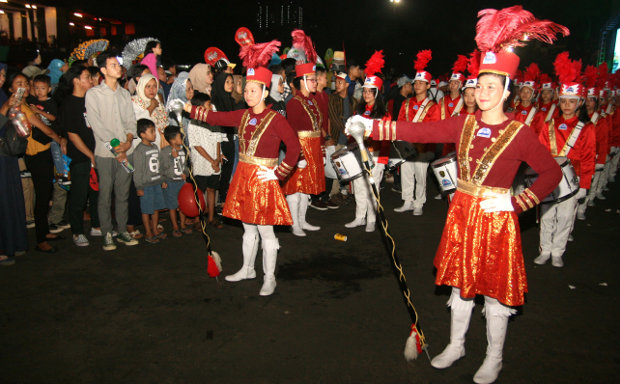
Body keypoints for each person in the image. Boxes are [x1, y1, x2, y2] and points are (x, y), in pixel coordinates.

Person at [347, 7, 566, 383]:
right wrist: (370, 124)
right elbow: (417, 132)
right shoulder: (464, 123)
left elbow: (552, 173)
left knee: (495, 296)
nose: (482, 93)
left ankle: (494, 356)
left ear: (506, 90)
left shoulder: (521, 133)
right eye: (479, 86)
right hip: (463, 213)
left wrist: (516, 203)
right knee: (461, 287)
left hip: (496, 219)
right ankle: (456, 344)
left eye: (491, 87)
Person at [183, 41, 301, 296]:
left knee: (266, 231)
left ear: (264, 92)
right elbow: (216, 118)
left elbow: (294, 149)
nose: (247, 93)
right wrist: (191, 109)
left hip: (264, 178)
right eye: (245, 89)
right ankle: (248, 268)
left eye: (252, 90)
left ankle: (269, 277)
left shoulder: (276, 119)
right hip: (245, 176)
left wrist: (278, 173)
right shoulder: (243, 115)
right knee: (248, 228)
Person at [535, 52, 596, 268]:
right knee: (547, 214)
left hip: (573, 180)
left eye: (572, 101)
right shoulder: (549, 124)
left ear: (579, 103)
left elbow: (588, 158)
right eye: (564, 101)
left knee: (565, 217)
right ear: (559, 102)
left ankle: (558, 251)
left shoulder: (587, 128)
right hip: (550, 177)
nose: (567, 105)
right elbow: (539, 152)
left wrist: (585, 186)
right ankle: (546, 249)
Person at [1, 73, 66, 253]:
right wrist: (59, 139)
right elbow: (45, 129)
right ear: (11, 89)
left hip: (43, 152)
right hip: (35, 155)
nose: (25, 87)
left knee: (46, 194)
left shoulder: (27, 104)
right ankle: (40, 240)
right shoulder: (21, 107)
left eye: (26, 83)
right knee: (43, 196)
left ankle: (44, 232)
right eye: (19, 83)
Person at [85, 51, 139, 251]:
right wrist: (118, 148)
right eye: (113, 65)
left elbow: (130, 121)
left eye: (118, 65)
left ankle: (123, 230)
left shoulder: (125, 93)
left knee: (123, 193)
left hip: (127, 151)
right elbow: (99, 127)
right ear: (103, 70)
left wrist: (127, 142)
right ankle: (107, 232)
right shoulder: (93, 94)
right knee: (105, 194)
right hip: (106, 154)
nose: (118, 67)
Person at [56, 65, 101, 247]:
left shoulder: (90, 100)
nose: (91, 80)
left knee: (97, 192)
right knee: (79, 195)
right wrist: (90, 155)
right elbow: (72, 135)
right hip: (80, 156)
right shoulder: (69, 103)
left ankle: (97, 226)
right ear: (76, 81)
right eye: (87, 77)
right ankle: (77, 231)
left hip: (96, 153)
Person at [345, 53, 389, 233]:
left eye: (370, 91)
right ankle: (359, 217)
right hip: (359, 154)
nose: (366, 94)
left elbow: (385, 136)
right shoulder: (359, 109)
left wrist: (383, 160)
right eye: (364, 91)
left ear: (376, 93)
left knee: (373, 188)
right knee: (359, 187)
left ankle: (372, 219)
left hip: (376, 156)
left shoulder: (383, 113)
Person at [282, 61, 326, 237]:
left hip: (313, 147)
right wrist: (298, 155)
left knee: (306, 188)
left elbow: (319, 128)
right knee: (296, 187)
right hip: (301, 148)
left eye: (316, 80)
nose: (316, 82)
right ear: (303, 81)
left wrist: (321, 151)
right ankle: (295, 224)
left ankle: (303, 220)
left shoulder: (313, 101)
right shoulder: (294, 103)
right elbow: (291, 132)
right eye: (313, 80)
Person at [395, 50, 440, 216]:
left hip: (422, 147)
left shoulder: (433, 106)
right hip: (407, 145)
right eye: (416, 83)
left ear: (428, 85)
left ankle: (419, 202)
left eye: (421, 83)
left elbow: (434, 128)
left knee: (421, 176)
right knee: (406, 174)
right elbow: (400, 122)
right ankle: (407, 200)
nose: (417, 85)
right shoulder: (407, 103)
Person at [28, 74, 69, 234]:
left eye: (42, 88)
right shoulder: (31, 102)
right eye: (36, 88)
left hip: (53, 144)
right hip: (39, 146)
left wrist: (39, 114)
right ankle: (46, 222)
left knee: (59, 179)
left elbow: (54, 119)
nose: (39, 91)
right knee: (45, 186)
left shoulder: (51, 103)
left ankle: (54, 217)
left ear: (49, 89)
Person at [187, 91, 224, 228]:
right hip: (202, 162)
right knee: (200, 191)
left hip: (214, 161)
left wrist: (218, 157)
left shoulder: (214, 120)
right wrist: (211, 160)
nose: (211, 107)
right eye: (208, 105)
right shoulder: (193, 124)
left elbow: (218, 139)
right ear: (200, 108)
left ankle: (211, 217)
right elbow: (196, 145)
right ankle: (198, 219)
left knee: (212, 189)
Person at [133, 119, 166, 243]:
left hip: (156, 182)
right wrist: (139, 187)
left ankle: (155, 228)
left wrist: (162, 178)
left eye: (154, 131)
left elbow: (159, 164)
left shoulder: (155, 147)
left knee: (156, 208)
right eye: (151, 131)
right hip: (146, 185)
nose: (154, 134)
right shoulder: (139, 151)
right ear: (142, 134)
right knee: (147, 210)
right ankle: (148, 232)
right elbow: (138, 171)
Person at [210, 72, 237, 208]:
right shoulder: (215, 103)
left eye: (232, 82)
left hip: (230, 138)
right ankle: (218, 200)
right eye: (227, 82)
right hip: (220, 140)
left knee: (228, 169)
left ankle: (223, 197)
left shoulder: (231, 101)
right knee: (220, 170)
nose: (231, 85)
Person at [160, 125, 191, 236]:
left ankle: (182, 224)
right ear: (172, 140)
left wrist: (186, 174)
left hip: (181, 183)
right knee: (172, 206)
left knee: (182, 205)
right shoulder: (165, 152)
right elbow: (163, 167)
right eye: (179, 137)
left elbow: (186, 166)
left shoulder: (183, 150)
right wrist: (172, 157)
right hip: (170, 182)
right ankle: (175, 226)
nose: (181, 138)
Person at [132, 74, 169, 149]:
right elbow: (137, 122)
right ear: (142, 87)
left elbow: (165, 122)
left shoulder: (158, 102)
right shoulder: (134, 102)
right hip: (144, 146)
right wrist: (151, 107)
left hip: (162, 143)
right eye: (148, 86)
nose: (151, 90)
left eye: (154, 86)